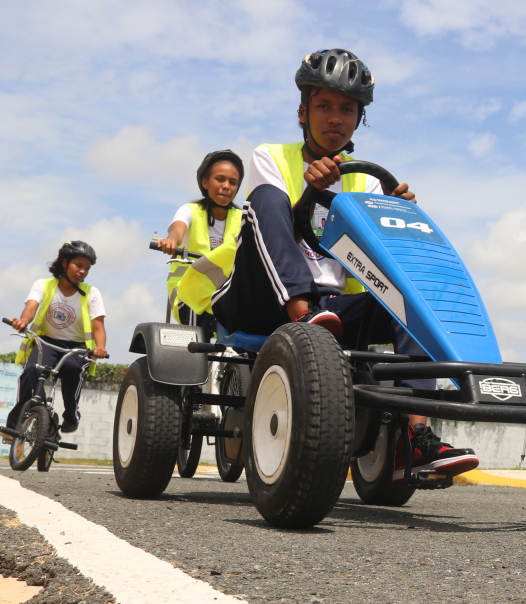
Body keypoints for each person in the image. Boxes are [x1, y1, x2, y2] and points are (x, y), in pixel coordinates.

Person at [188, 48, 477, 483]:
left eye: (347, 109)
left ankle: (414, 439)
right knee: (265, 198)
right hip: (259, 298)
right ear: (303, 112)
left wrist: (398, 220)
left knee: (408, 301)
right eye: (324, 106)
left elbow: (381, 265)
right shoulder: (270, 156)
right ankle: (306, 319)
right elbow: (271, 226)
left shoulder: (369, 181)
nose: (335, 118)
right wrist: (309, 194)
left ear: (359, 119)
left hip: (334, 310)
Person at [8, 241, 109, 434]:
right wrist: (23, 321)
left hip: (76, 347)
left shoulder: (92, 293)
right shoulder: (43, 285)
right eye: (78, 265)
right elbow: (31, 308)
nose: (82, 272)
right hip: (46, 342)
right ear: (64, 263)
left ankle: (71, 414)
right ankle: (17, 420)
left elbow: (98, 326)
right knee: (32, 369)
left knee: (72, 369)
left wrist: (100, 347)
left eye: (86, 269)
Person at [156, 150, 245, 336]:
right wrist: (172, 241)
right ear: (205, 183)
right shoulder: (190, 210)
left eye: (233, 182)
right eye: (220, 179)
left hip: (227, 293)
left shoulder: (243, 218)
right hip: (188, 292)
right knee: (198, 324)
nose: (226, 186)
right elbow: (177, 229)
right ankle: (196, 360)